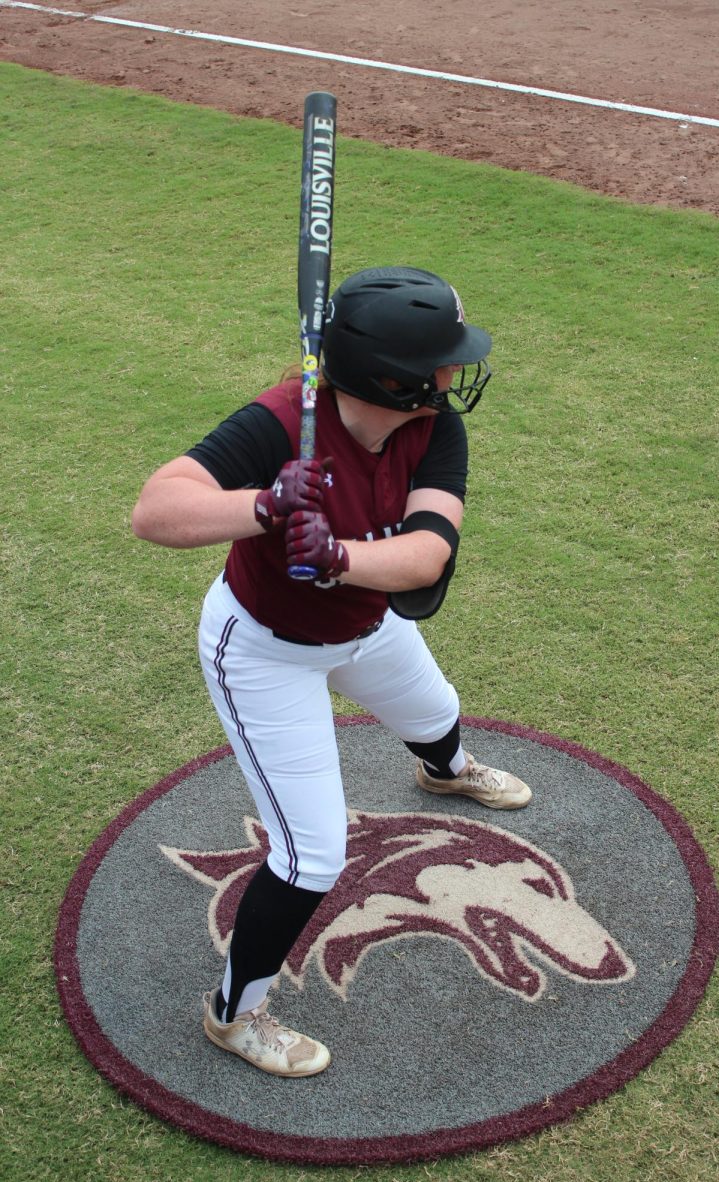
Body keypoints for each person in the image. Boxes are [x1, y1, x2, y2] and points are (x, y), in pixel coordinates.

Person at [131, 265, 532, 1079]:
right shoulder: (279, 423)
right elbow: (155, 511)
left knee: (436, 711)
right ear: (394, 375)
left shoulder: (434, 426)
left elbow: (425, 557)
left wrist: (341, 557)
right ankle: (233, 1014)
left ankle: (447, 773)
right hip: (264, 652)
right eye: (445, 359)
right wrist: (263, 506)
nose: (457, 372)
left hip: (365, 623)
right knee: (312, 856)